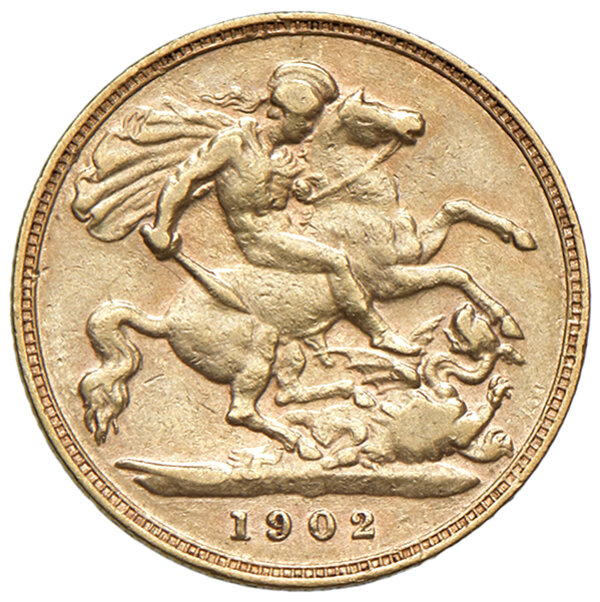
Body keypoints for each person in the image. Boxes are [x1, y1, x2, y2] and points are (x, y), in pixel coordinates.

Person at [141, 61, 419, 356]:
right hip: (260, 241)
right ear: (283, 115)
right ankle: (379, 333)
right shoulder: (235, 143)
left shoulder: (272, 152)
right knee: (336, 261)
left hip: (286, 229)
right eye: (306, 121)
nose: (310, 129)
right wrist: (162, 227)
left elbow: (268, 196)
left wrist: (293, 186)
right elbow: (185, 178)